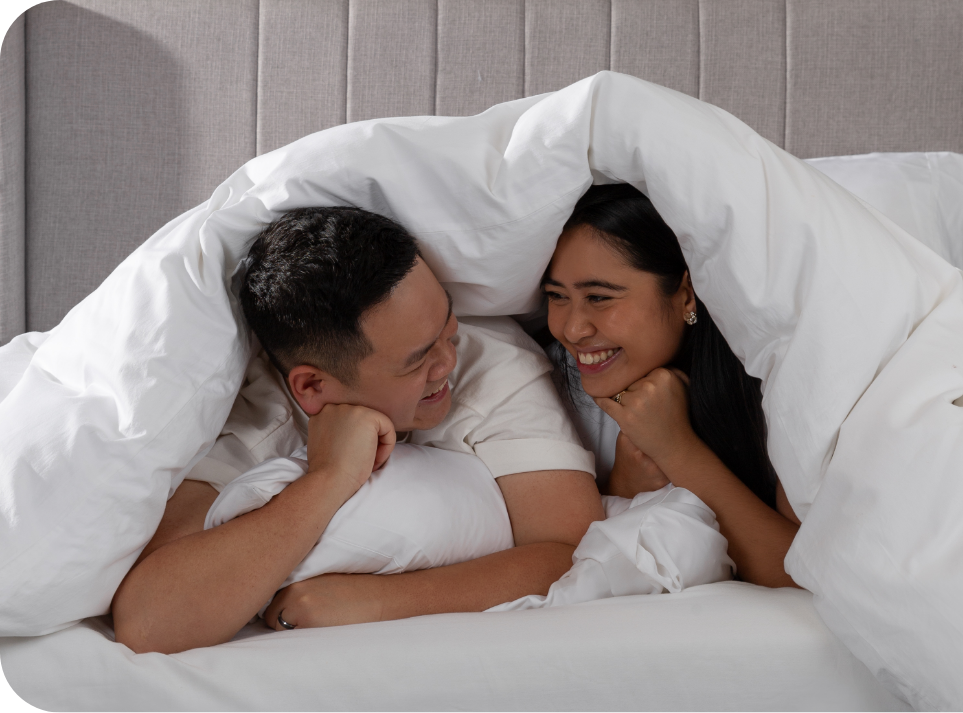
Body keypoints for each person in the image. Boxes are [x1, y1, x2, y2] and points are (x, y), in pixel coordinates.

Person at [112, 207, 604, 654]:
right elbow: (150, 622)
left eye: (447, 329)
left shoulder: (490, 365)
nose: (448, 361)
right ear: (312, 387)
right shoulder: (262, 417)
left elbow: (575, 556)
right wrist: (327, 479)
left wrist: (374, 600)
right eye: (417, 360)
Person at [540, 184, 801, 589]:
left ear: (684, 296)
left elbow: (796, 571)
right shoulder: (550, 384)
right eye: (557, 296)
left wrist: (676, 448)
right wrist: (620, 489)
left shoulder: (776, 384)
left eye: (599, 297)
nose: (572, 329)